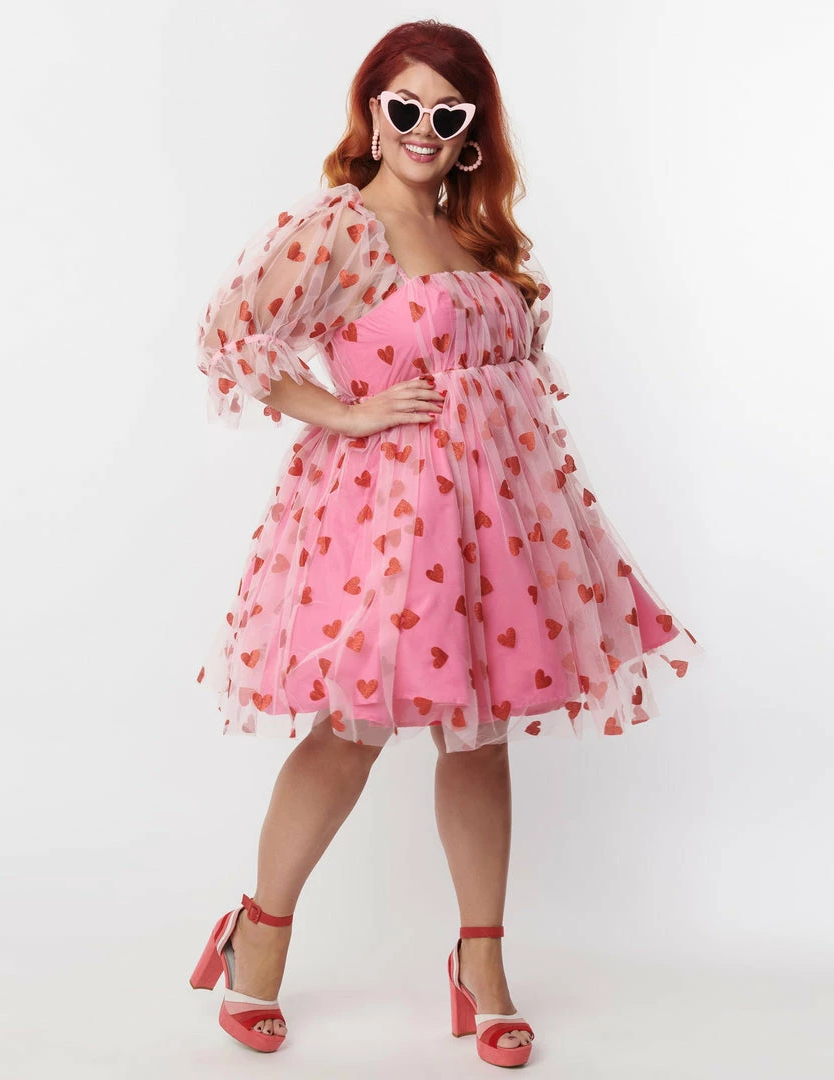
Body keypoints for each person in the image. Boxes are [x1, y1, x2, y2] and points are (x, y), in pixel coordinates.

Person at [189, 18, 704, 1067]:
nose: (425, 128)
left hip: (495, 521)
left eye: (448, 112)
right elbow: (228, 334)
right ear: (373, 114)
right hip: (388, 519)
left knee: (480, 736)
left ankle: (481, 966)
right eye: (406, 107)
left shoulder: (477, 233)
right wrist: (342, 412)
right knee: (353, 728)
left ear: (473, 127)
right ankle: (259, 934)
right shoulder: (341, 228)